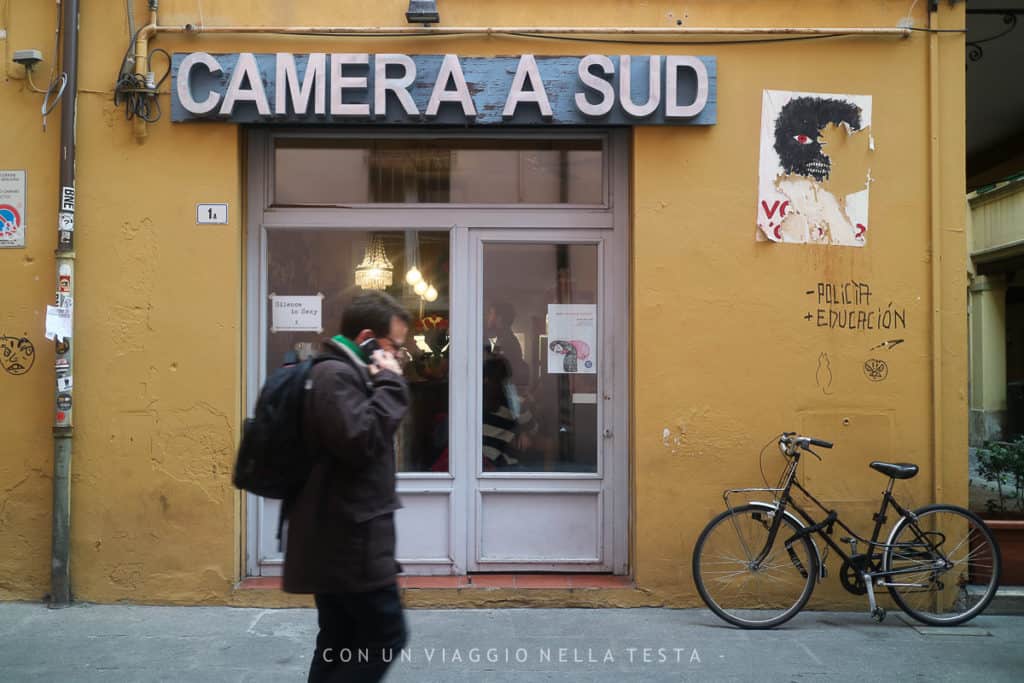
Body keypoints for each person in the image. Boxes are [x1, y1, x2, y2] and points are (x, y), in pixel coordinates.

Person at [283, 290, 412, 682]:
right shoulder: (335, 376)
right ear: (368, 338)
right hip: (349, 541)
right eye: (394, 346)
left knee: (340, 640)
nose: (399, 356)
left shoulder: (345, 373)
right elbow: (362, 441)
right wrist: (390, 382)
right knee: (386, 636)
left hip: (342, 535)